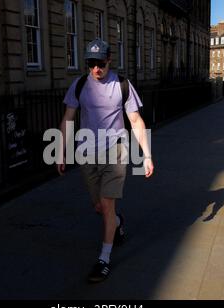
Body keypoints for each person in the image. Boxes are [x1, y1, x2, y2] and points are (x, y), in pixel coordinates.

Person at [58, 38, 154, 283]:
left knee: (107, 203)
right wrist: (61, 150)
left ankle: (104, 259)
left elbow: (135, 120)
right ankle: (118, 223)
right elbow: (68, 117)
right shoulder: (80, 85)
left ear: (109, 60)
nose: (96, 69)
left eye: (100, 63)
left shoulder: (122, 84)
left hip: (115, 151)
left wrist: (147, 155)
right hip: (87, 152)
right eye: (91, 64)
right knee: (100, 208)